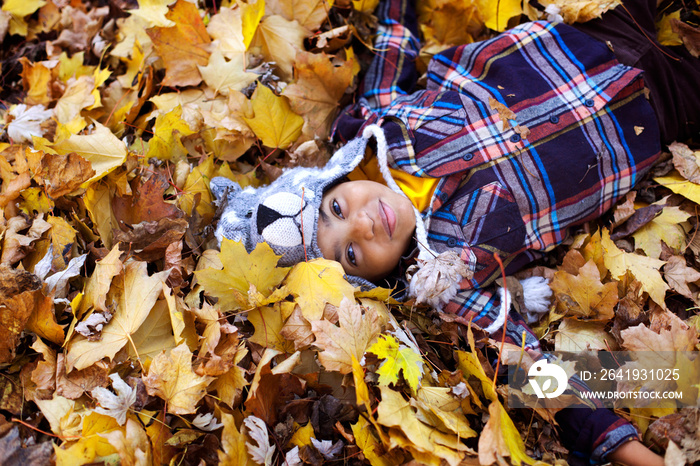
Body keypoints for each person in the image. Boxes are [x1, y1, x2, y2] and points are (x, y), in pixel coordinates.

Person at [210, 0, 700, 462]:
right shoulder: (445, 280)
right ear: (365, 284)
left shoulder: (377, 121)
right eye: (351, 254)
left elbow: (394, 41)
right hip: (652, 114)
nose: (361, 224)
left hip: (578, 33)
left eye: (336, 207)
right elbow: (526, 363)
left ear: (335, 176)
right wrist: (630, 448)